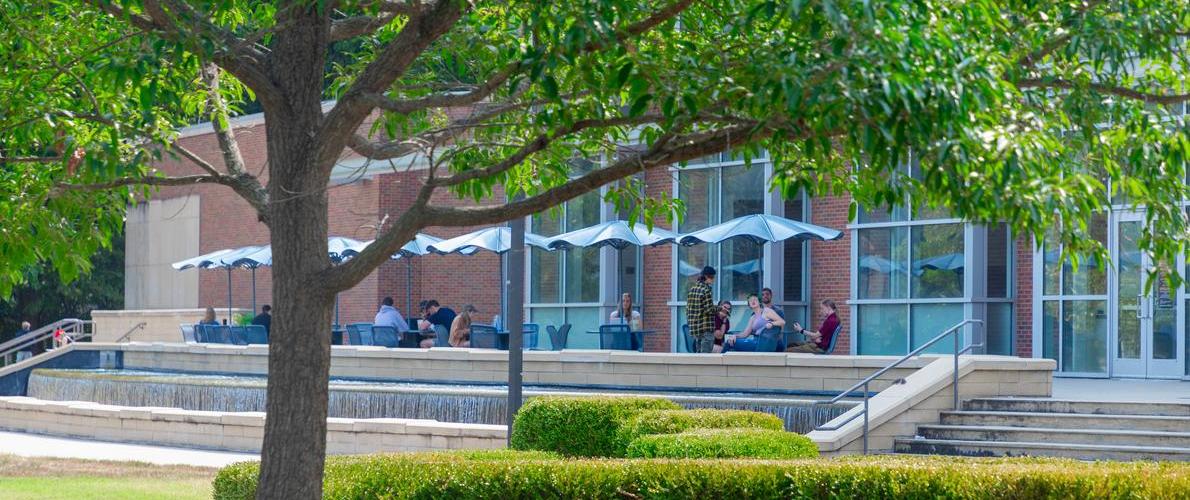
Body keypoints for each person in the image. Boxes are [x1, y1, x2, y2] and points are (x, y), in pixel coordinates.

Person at [685, 266, 718, 353]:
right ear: (707, 277)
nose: (713, 280)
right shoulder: (706, 290)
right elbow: (709, 310)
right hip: (706, 328)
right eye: (713, 277)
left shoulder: (692, 290)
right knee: (706, 358)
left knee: (699, 358)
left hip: (696, 330)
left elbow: (688, 309)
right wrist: (720, 309)